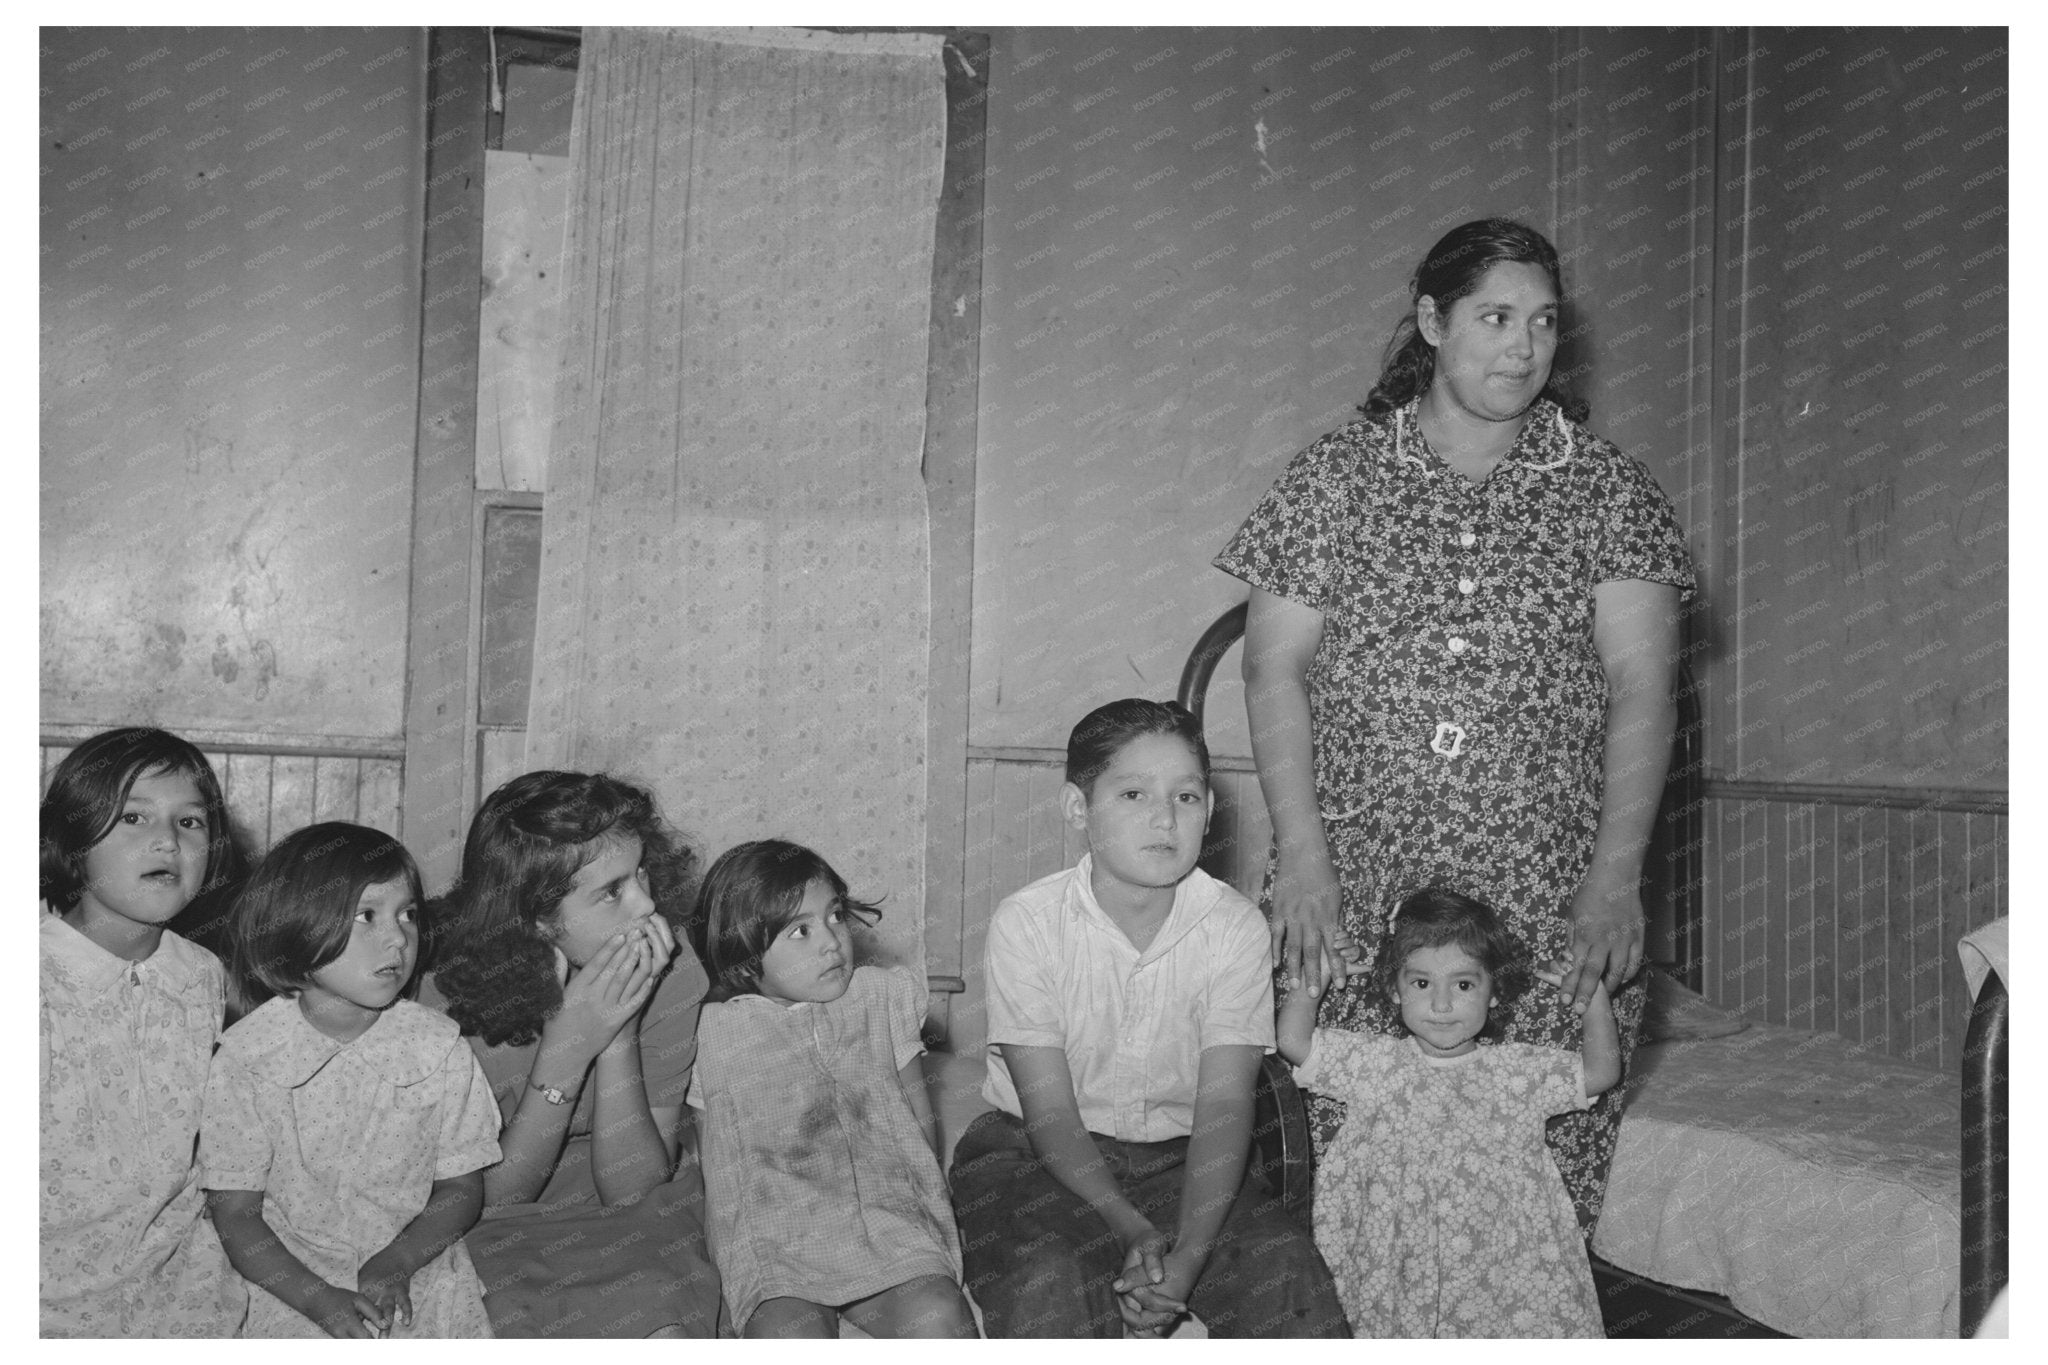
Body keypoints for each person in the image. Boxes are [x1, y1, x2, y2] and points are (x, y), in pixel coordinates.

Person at [1215, 217, 1692, 1227]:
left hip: (1542, 877)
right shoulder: (1332, 479)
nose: (1520, 348)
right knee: (1351, 1181)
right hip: (1359, 870)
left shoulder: (1606, 489)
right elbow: (1271, 671)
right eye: (1492, 317)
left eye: (1541, 322)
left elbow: (1642, 690)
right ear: (1430, 321)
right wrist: (1302, 859)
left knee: (1523, 1192)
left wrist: (1613, 877)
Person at [949, 698, 1349, 1338]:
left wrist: (1187, 1255)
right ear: (1079, 809)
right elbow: (1049, 1114)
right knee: (1046, 1278)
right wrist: (1131, 1226)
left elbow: (1222, 1110)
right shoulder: (1027, 922)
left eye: (1187, 798)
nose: (1164, 818)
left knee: (1286, 1268)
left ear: (1209, 809)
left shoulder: (1233, 927)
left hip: (1181, 1160)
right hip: (1033, 1155)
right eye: (1133, 793)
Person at [427, 770, 721, 1337]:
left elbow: (633, 1187)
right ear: (536, 918)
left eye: (641, 874)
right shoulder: (439, 1000)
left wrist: (617, 1030)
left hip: (632, 1221)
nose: (646, 905)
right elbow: (487, 1200)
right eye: (612, 891)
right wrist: (565, 1051)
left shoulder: (674, 969)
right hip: (490, 1224)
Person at [202, 822, 500, 1338]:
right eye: (367, 916)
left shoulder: (439, 1048)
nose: (398, 937)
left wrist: (399, 1260)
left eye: (407, 914)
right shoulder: (249, 1058)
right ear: (297, 928)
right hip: (288, 1278)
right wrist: (318, 1301)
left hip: (415, 1261)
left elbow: (461, 1186)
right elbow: (236, 1215)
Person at [1278, 888, 1618, 1336]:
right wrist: (1312, 984)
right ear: (1394, 990)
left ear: (1493, 991)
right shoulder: (1374, 1063)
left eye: (1463, 985)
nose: (1441, 1005)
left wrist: (1592, 1001)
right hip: (1394, 1262)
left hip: (1496, 1267)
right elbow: (1293, 1043)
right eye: (1421, 983)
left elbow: (1601, 1071)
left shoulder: (1515, 1071)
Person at [687, 839, 975, 1338]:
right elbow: (714, 1155)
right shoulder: (716, 1034)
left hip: (888, 1215)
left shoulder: (879, 999)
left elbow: (917, 1116)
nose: (831, 941)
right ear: (744, 953)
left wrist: (929, 1196)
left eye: (835, 916)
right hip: (778, 1234)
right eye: (800, 930)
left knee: (938, 1314)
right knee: (785, 1334)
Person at [39, 727, 248, 1337]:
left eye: (190, 823)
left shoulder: (202, 974)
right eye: (133, 817)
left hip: (183, 1281)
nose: (166, 840)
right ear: (72, 840)